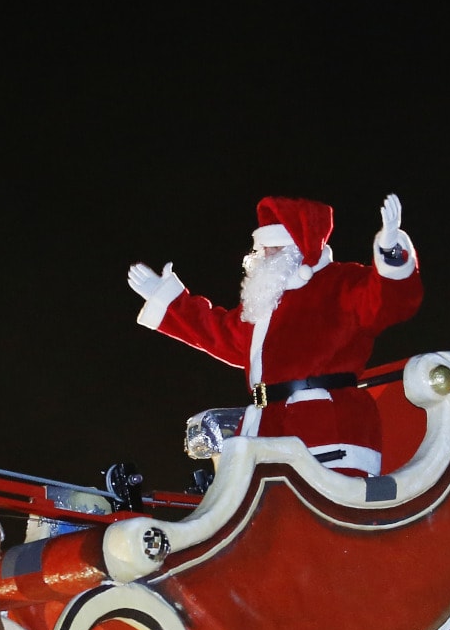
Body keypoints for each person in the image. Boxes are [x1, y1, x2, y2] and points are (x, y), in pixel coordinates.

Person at [127, 193, 422, 478]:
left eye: (273, 248)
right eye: (261, 249)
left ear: (299, 249)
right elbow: (218, 332)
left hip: (326, 428)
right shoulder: (265, 304)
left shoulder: (339, 283)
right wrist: (167, 299)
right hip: (266, 426)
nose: (263, 256)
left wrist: (392, 252)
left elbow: (387, 301)